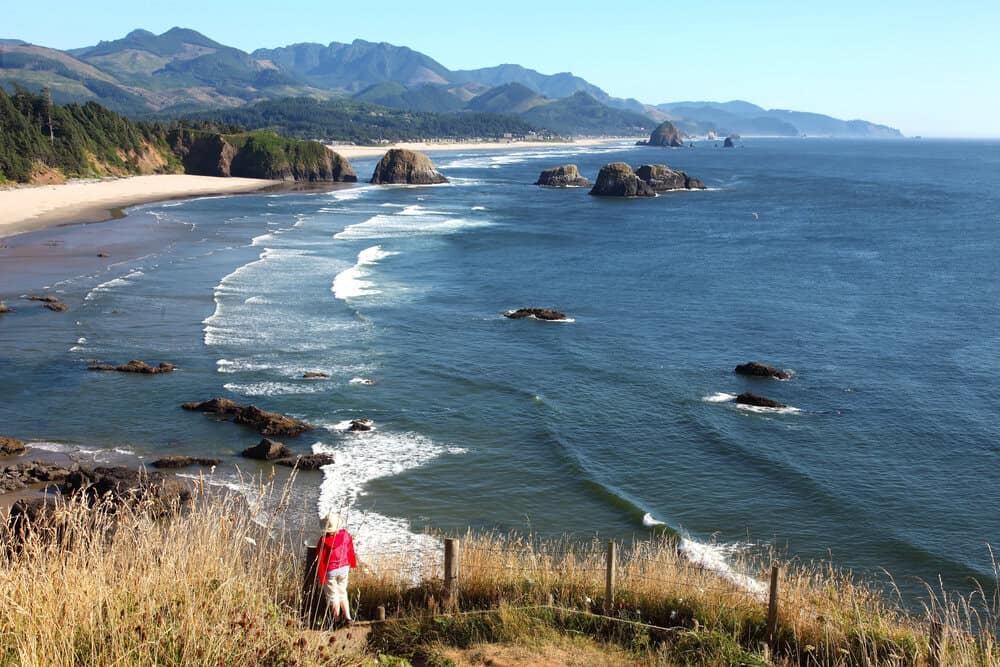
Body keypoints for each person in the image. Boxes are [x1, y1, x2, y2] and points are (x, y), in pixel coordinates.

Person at [316, 513, 358, 624]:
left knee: (333, 596)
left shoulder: (323, 541)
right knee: (342, 592)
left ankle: (337, 620)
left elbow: (321, 561)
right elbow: (350, 550)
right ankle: (348, 618)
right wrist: (352, 563)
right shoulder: (345, 535)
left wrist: (322, 577)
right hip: (344, 568)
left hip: (331, 571)